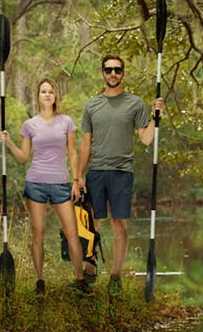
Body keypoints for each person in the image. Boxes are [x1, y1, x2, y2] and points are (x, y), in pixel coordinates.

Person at [77, 54, 165, 295]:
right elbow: (85, 145)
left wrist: (157, 118)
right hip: (96, 171)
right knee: (91, 223)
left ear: (123, 73)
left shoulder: (135, 104)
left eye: (117, 70)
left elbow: (146, 139)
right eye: (108, 70)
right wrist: (78, 176)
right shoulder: (92, 106)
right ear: (102, 73)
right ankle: (90, 271)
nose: (113, 74)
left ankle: (115, 276)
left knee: (119, 224)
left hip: (121, 172)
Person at [0, 78, 91, 296]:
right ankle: (40, 281)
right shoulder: (30, 125)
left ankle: (80, 280)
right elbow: (23, 158)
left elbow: (73, 152)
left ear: (55, 96)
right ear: (38, 96)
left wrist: (76, 181)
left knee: (72, 232)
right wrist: (9, 142)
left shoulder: (66, 122)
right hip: (36, 184)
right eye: (43, 91)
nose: (47, 95)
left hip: (61, 184)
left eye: (51, 91)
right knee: (38, 233)